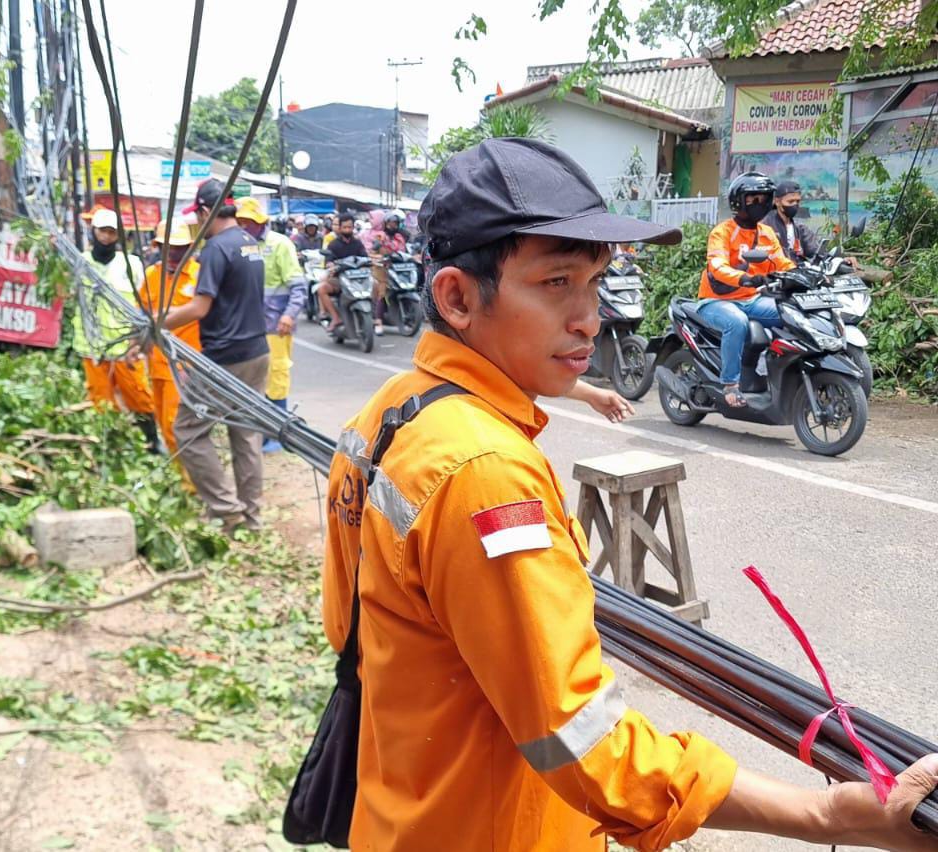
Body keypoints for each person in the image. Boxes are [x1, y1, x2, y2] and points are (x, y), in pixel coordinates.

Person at [321, 137, 938, 851]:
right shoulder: (482, 469)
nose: (590, 317)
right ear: (458, 297)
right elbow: (585, 744)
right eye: (556, 284)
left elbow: (351, 630)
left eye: (595, 282)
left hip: (407, 808)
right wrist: (828, 815)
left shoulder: (395, 411)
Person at [165, 179, 269, 533]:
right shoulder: (249, 242)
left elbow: (199, 306)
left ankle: (228, 510)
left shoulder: (214, 248)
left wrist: (158, 322)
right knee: (246, 435)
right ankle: (251, 520)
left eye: (198, 216)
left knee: (188, 429)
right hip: (258, 352)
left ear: (207, 212)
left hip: (225, 359)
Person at [698, 172, 795, 407]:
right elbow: (718, 266)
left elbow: (782, 262)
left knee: (792, 314)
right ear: (738, 201)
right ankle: (730, 384)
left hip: (752, 300)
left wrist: (797, 275)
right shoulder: (722, 232)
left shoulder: (767, 233)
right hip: (715, 300)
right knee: (736, 322)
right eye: (753, 199)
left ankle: (767, 368)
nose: (759, 204)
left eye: (764, 198)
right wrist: (744, 279)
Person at [74, 208, 160, 452]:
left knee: (140, 397)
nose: (106, 237)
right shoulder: (81, 262)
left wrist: (139, 343)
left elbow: (143, 304)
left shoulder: (130, 264)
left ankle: (151, 444)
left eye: (112, 232)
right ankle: (110, 449)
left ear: (119, 235)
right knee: (101, 402)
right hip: (92, 348)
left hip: (125, 347)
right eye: (103, 231)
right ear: (94, 232)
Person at [235, 197, 307, 453]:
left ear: (261, 222)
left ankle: (277, 434)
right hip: (248, 325)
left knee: (277, 375)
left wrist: (289, 315)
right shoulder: (240, 246)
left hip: (276, 324)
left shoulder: (279, 244)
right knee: (254, 378)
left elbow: (298, 286)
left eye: (249, 222)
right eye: (240, 222)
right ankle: (261, 433)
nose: (244, 227)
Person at [139, 219, 200, 461]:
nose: (173, 253)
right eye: (167, 248)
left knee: (179, 428)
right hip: (157, 364)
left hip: (187, 366)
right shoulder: (151, 276)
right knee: (164, 423)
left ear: (189, 248)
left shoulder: (199, 275)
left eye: (179, 248)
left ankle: (192, 486)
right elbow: (142, 315)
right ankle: (181, 481)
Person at [318, 211, 368, 332]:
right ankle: (335, 318)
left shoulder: (358, 243)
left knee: (376, 285)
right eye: (344, 227)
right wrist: (331, 266)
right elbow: (328, 261)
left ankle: (375, 317)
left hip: (358, 279)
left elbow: (365, 257)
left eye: (349, 227)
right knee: (322, 289)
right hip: (340, 280)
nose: (347, 230)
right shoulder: (333, 245)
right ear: (339, 228)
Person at [363, 209, 408, 334]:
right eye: (390, 223)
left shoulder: (400, 236)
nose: (393, 226)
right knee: (382, 292)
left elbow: (403, 251)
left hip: (397, 268)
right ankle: (378, 321)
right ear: (385, 224)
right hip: (381, 267)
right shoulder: (380, 236)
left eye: (395, 223)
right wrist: (377, 254)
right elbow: (373, 250)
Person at [763, 180, 822, 264]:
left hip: (797, 273)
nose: (795, 205)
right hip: (777, 273)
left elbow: (815, 250)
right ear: (777, 202)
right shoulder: (766, 227)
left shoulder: (800, 228)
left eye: (797, 201)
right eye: (790, 201)